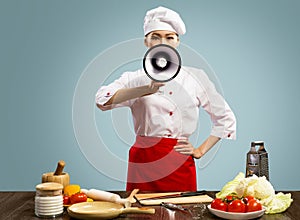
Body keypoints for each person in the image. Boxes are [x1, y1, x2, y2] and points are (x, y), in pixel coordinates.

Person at [95, 6, 236, 192]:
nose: (163, 42)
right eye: (155, 37)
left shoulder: (196, 78)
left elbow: (226, 119)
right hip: (143, 162)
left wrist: (200, 150)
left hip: (179, 161)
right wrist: (146, 89)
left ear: (177, 41)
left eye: (169, 37)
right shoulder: (133, 78)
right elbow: (102, 100)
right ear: (146, 42)